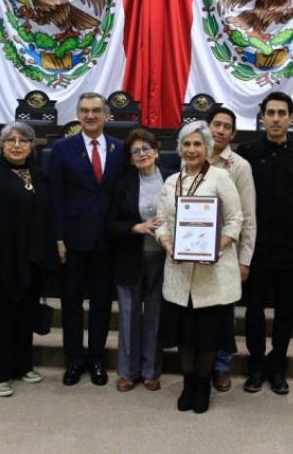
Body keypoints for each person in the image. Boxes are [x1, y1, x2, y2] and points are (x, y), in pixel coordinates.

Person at [0, 122, 58, 397]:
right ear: (1, 146)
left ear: (32, 146)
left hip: (29, 262)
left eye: (23, 140)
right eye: (11, 140)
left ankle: (21, 365)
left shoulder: (38, 175)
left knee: (23, 317)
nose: (17, 145)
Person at [156, 121, 243, 414]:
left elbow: (235, 220)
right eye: (187, 144)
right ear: (180, 148)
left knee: (207, 334)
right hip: (179, 272)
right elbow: (162, 223)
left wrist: (216, 247)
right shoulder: (170, 182)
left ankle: (203, 383)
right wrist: (167, 243)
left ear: (207, 148)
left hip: (212, 272)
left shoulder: (220, 177)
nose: (192, 150)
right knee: (184, 334)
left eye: (197, 144)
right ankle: (188, 382)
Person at [236, 92, 293, 395]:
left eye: (282, 113)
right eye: (271, 113)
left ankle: (278, 363)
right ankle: (255, 364)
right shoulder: (247, 153)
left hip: (291, 247)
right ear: (262, 116)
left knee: (285, 310)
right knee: (253, 308)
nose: (277, 118)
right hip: (255, 248)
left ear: (291, 117)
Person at [48, 93, 125, 386]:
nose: (90, 115)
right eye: (84, 111)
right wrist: (57, 237)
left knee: (103, 303)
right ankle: (74, 359)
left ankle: (96, 359)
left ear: (106, 115)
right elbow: (55, 197)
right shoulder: (62, 148)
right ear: (78, 115)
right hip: (73, 240)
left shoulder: (120, 148)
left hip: (107, 240)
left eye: (96, 111)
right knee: (71, 303)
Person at [106, 129, 170, 392]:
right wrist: (136, 227)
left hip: (163, 260)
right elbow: (110, 224)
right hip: (130, 258)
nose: (142, 154)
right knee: (130, 316)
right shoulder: (123, 184)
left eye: (146, 149)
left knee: (155, 316)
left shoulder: (173, 179)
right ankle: (128, 372)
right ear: (131, 160)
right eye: (136, 151)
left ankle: (151, 371)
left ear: (156, 151)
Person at [206, 107, 256, 392]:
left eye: (227, 126)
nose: (220, 130)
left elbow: (248, 217)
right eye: (216, 124)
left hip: (227, 250)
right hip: (195, 250)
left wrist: (244, 259)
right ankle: (203, 361)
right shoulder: (192, 155)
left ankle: (222, 366)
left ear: (233, 134)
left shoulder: (239, 166)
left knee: (224, 312)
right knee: (199, 311)